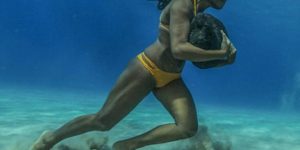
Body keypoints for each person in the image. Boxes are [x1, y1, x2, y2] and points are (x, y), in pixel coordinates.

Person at [30, 0, 236, 149]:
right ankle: (51, 139)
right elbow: (179, 49)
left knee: (188, 128)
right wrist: (220, 53)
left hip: (171, 78)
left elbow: (196, 58)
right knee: (103, 122)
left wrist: (224, 61)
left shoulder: (199, 14)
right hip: (147, 68)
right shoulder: (183, 4)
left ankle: (127, 146)